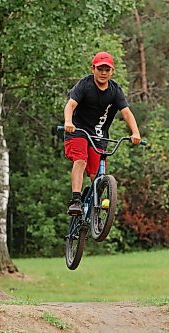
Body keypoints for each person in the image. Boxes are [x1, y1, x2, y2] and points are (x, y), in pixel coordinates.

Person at [63, 51, 141, 216]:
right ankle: (76, 200)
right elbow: (70, 105)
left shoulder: (115, 90)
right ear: (93, 69)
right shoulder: (85, 85)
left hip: (98, 134)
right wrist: (68, 122)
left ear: (112, 71)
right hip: (77, 130)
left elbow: (126, 113)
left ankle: (95, 213)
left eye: (107, 69)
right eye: (100, 69)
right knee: (81, 160)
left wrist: (135, 133)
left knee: (96, 175)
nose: (103, 73)